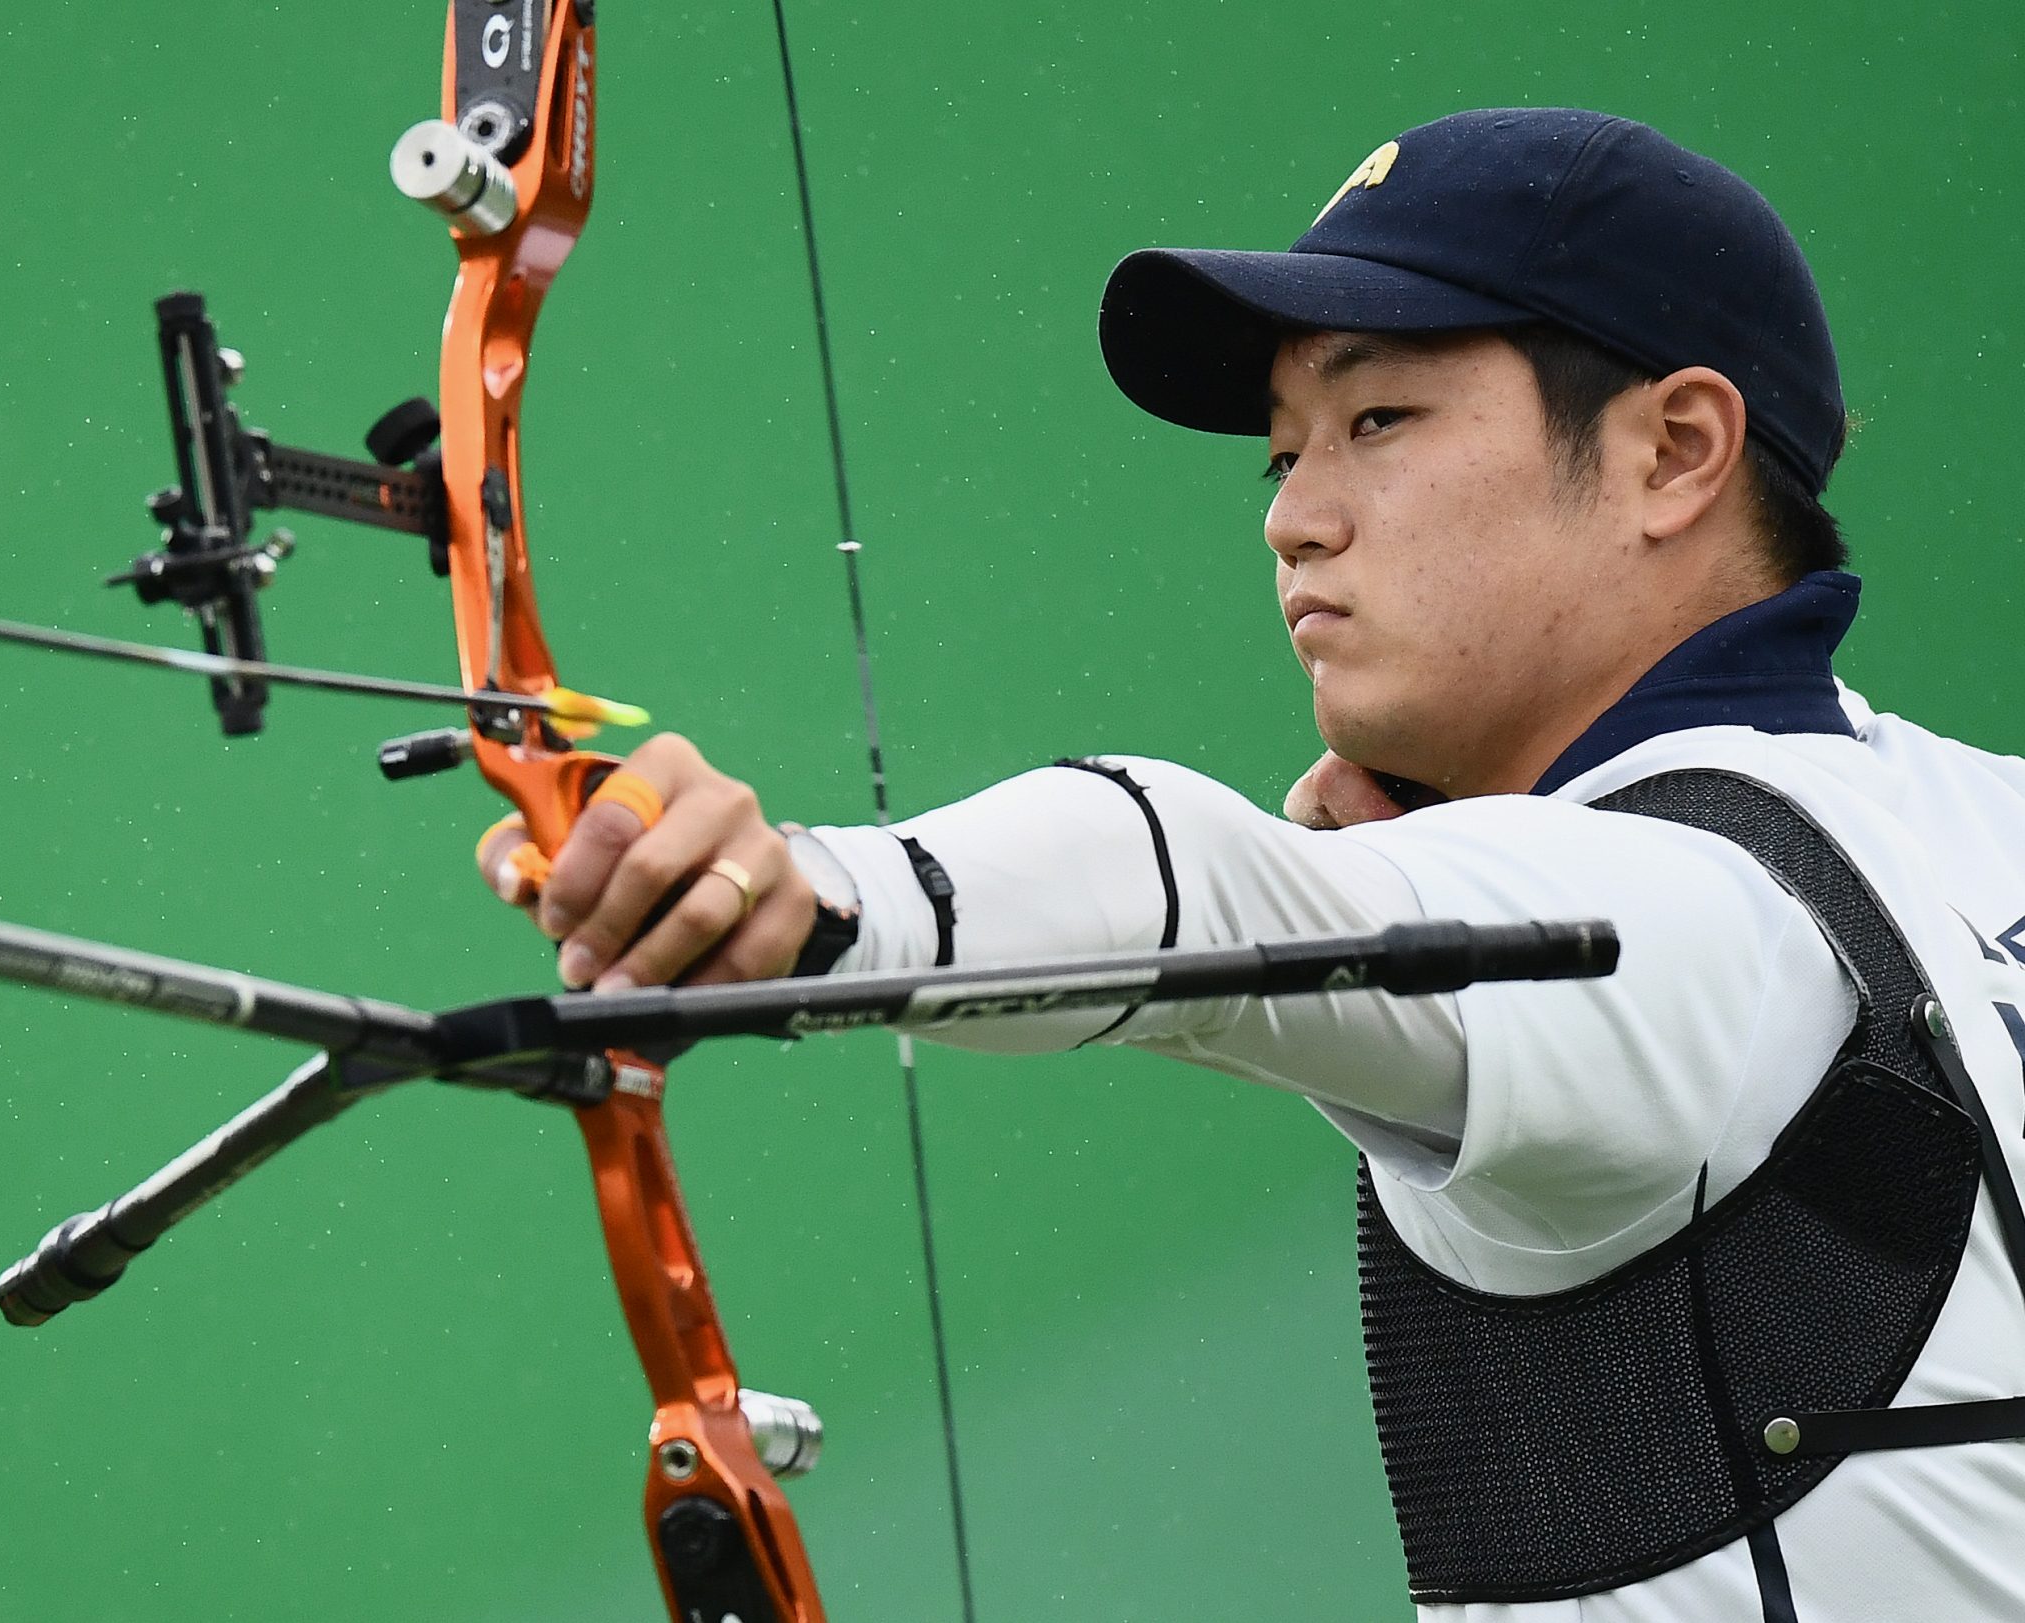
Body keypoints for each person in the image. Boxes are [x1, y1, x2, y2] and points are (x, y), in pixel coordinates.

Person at [479, 108, 2025, 1619]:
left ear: (1675, 451)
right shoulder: (1982, 824)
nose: (1294, 516)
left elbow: (1182, 875)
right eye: (1282, 456)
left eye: (1378, 421)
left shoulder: (1689, 913)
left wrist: (818, 900)